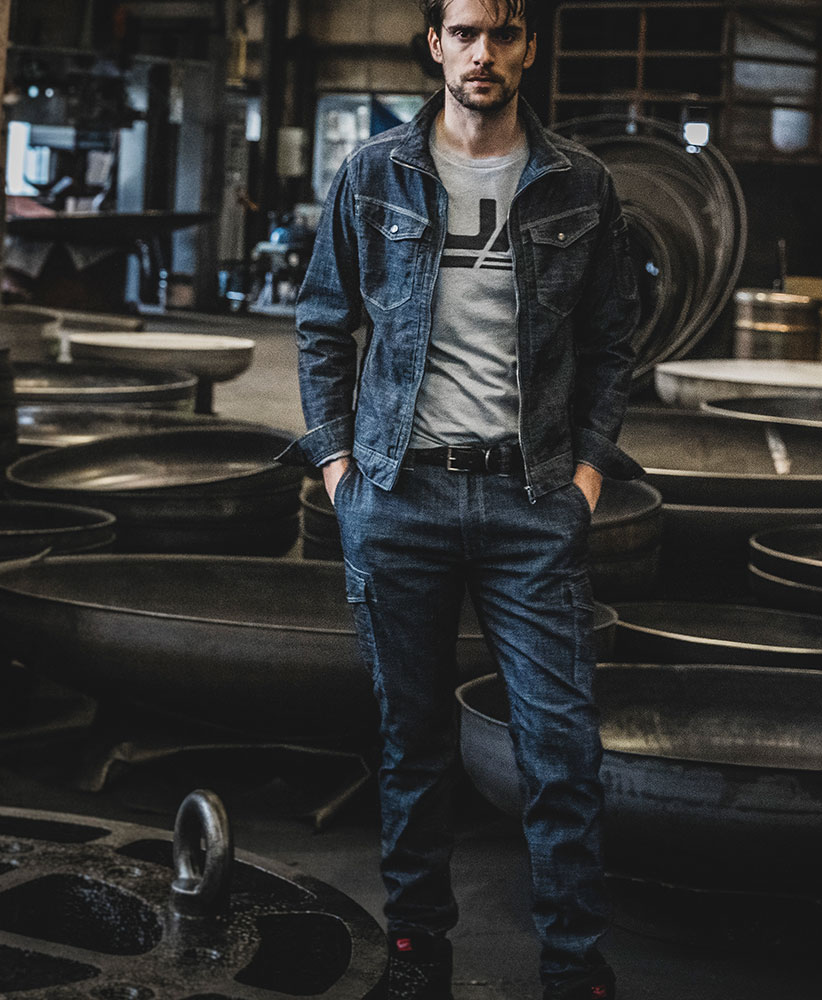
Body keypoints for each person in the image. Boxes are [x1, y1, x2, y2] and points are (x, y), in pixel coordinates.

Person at [278, 1, 641, 996]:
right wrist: (340, 472)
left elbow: (611, 344)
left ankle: (574, 968)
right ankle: (416, 953)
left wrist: (585, 478)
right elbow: (321, 325)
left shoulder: (580, 183)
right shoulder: (373, 175)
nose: (484, 53)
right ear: (436, 44)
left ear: (530, 47)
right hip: (400, 496)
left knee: (560, 751)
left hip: (532, 502)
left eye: (504, 34)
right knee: (414, 747)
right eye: (467, 33)